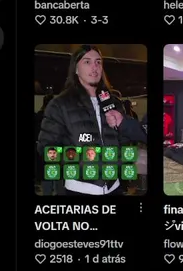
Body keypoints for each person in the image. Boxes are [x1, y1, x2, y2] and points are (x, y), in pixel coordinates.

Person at [37, 46, 135, 196]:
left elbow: (125, 141)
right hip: (78, 189)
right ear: (76, 69)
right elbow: (46, 147)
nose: (94, 67)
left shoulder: (114, 103)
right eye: (87, 62)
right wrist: (80, 165)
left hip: (114, 188)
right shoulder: (60, 104)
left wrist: (119, 166)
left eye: (98, 62)